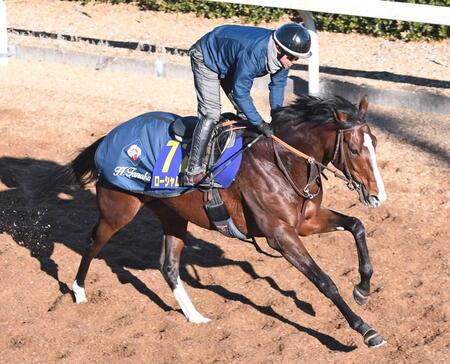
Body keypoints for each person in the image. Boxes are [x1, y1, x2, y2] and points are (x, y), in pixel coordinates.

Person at [184, 22, 312, 186]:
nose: (293, 62)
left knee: (246, 115)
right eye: (292, 58)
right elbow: (240, 92)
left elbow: (277, 85)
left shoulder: (284, 56)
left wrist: (277, 116)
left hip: (230, 60)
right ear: (279, 49)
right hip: (207, 56)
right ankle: (192, 171)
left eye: (297, 58)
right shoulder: (255, 52)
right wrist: (260, 123)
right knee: (211, 114)